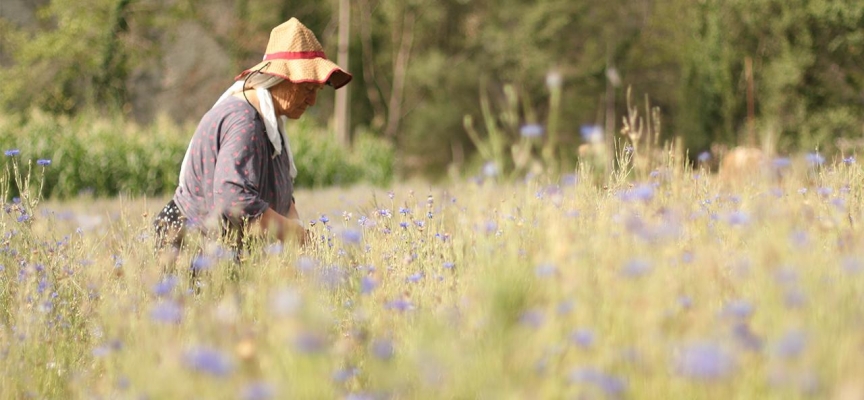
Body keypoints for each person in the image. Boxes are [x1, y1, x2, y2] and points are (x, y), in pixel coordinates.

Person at [154, 18, 351, 255]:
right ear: (279, 79)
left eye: (316, 91)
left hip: (217, 249)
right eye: (307, 89)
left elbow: (280, 192)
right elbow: (234, 199)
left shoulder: (269, 122)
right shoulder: (245, 122)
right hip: (189, 245)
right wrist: (294, 235)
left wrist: (299, 234)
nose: (312, 101)